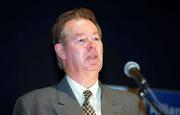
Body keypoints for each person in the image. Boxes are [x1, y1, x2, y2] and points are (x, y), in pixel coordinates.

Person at [13, 7, 145, 115]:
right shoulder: (33, 106)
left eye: (95, 38)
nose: (92, 45)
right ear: (61, 51)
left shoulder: (132, 105)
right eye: (81, 40)